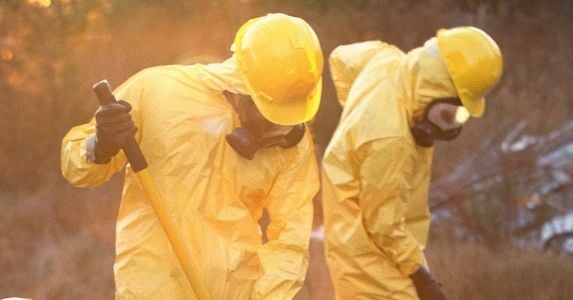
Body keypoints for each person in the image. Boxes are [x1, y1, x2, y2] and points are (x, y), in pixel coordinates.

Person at [61, 13, 323, 299]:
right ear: (243, 85)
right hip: (152, 287)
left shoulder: (291, 141)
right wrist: (100, 145)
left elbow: (290, 241)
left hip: (234, 291)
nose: (277, 126)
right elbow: (76, 169)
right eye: (268, 114)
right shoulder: (157, 91)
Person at [321, 27, 503, 299]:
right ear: (437, 89)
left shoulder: (387, 60)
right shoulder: (391, 140)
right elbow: (384, 225)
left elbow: (341, 58)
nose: (451, 123)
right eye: (451, 112)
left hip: (376, 244)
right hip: (369, 262)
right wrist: (420, 275)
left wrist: (355, 117)